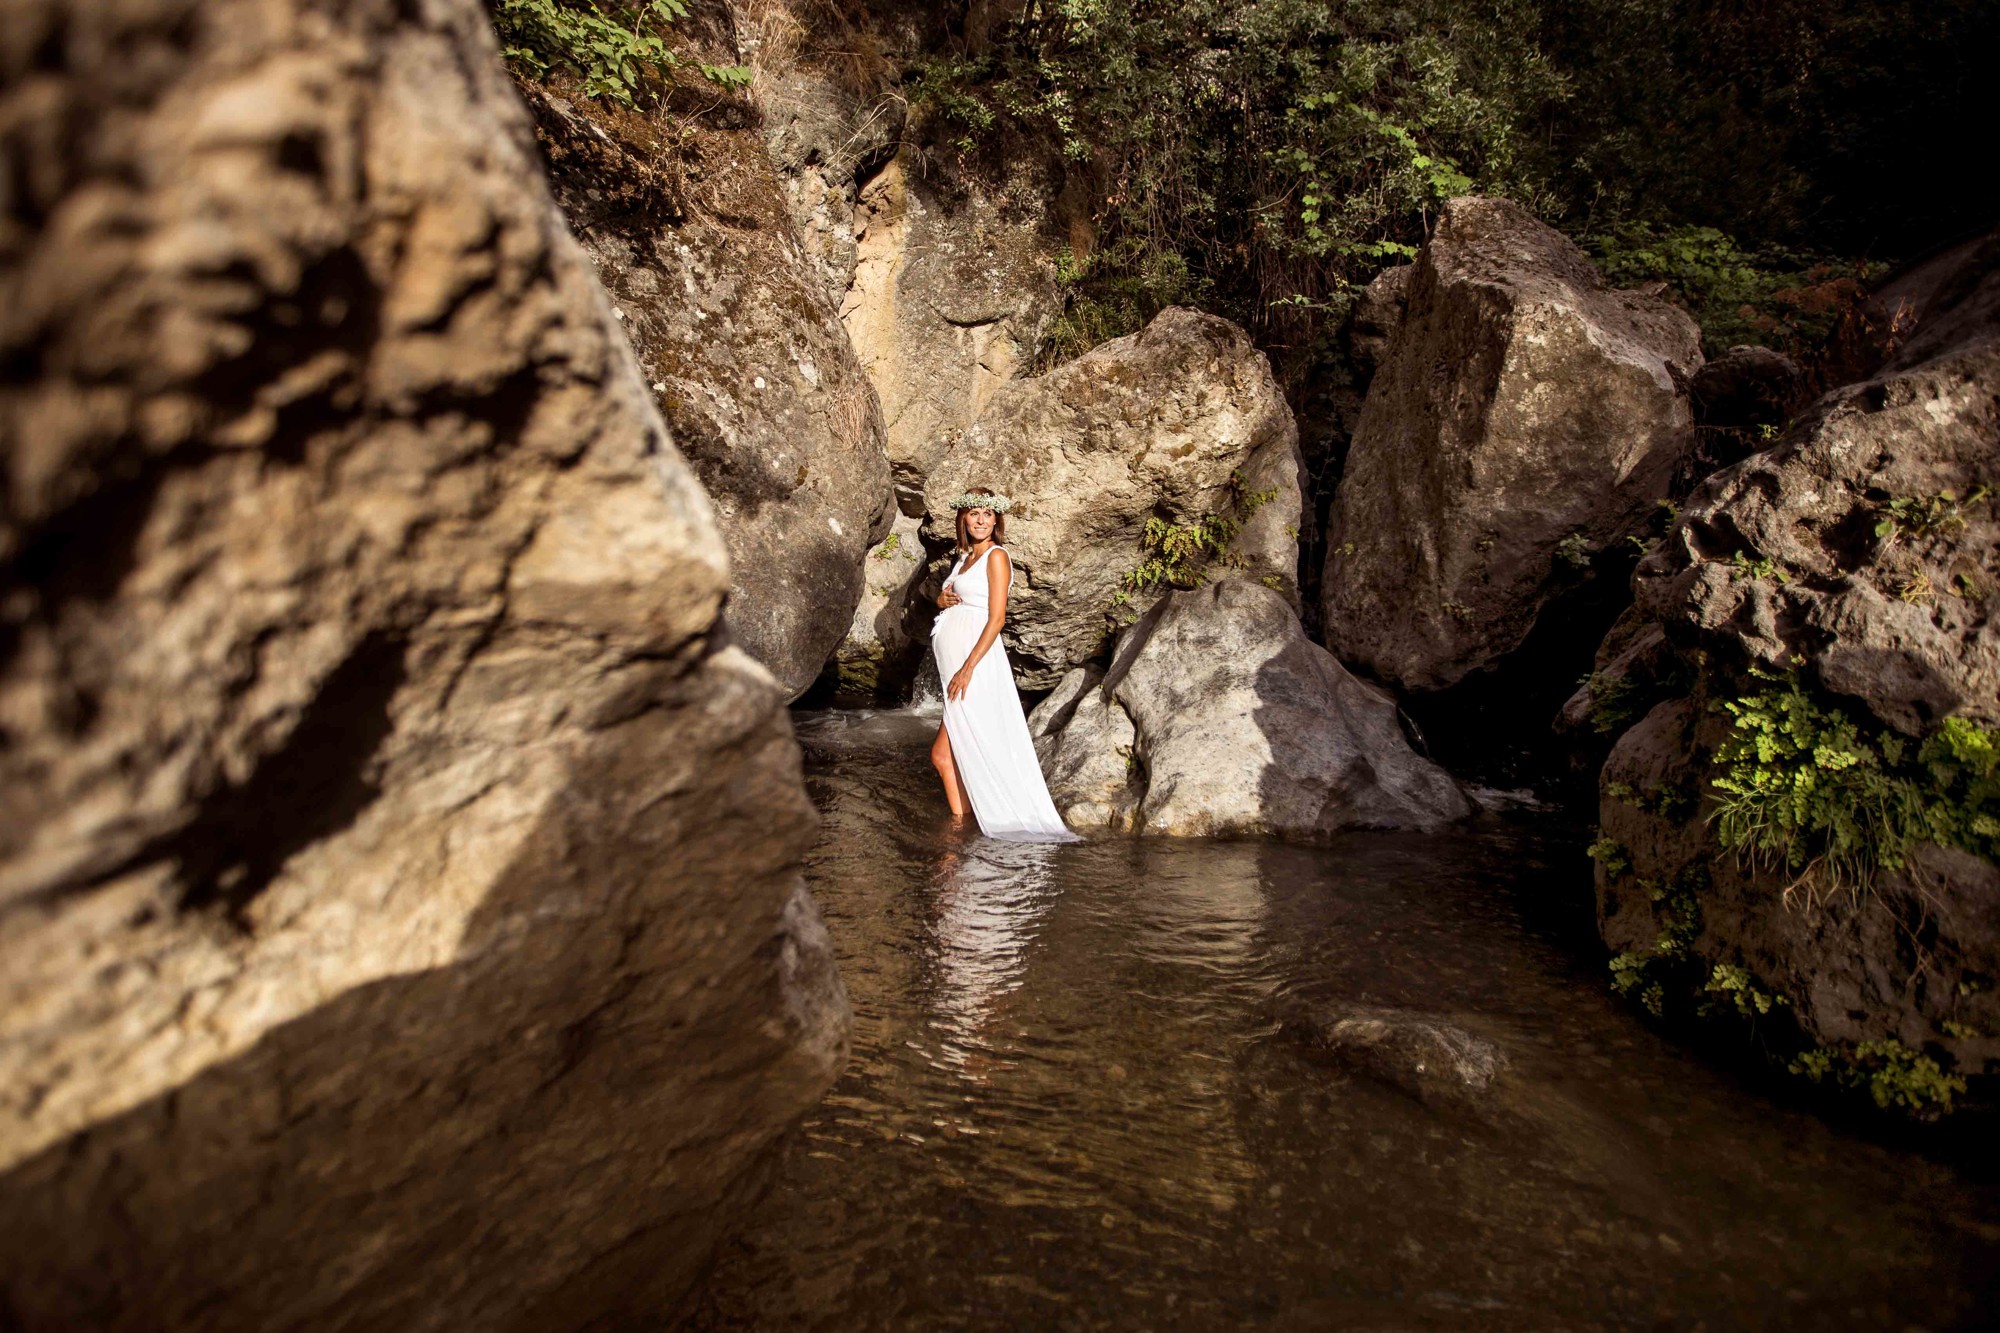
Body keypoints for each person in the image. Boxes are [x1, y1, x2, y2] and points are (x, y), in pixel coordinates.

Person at [929, 488, 1080, 842]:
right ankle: (964, 823)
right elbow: (952, 598)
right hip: (956, 667)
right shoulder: (964, 558)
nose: (981, 520)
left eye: (987, 514)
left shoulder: (996, 557)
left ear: (996, 519)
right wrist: (940, 599)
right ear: (963, 519)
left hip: (975, 666)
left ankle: (966, 827)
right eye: (974, 513)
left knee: (944, 755)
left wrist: (967, 668)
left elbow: (996, 619)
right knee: (947, 755)